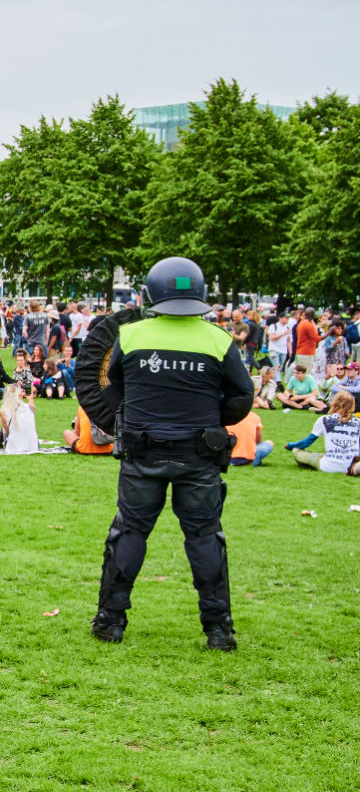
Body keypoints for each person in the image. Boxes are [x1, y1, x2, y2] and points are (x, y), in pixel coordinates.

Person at [89, 257, 253, 651]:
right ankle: (218, 630)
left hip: (142, 455)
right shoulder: (218, 339)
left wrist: (128, 417)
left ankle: (110, 622)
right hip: (199, 458)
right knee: (204, 538)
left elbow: (109, 384)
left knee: (128, 532)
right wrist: (214, 416)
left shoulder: (131, 336)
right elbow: (243, 397)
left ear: (150, 293)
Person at [284, 390, 360, 474]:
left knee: (296, 451)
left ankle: (308, 461)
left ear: (334, 403)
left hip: (328, 466)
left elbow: (306, 442)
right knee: (321, 456)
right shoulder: (358, 422)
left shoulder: (324, 419)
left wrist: (291, 445)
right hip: (351, 465)